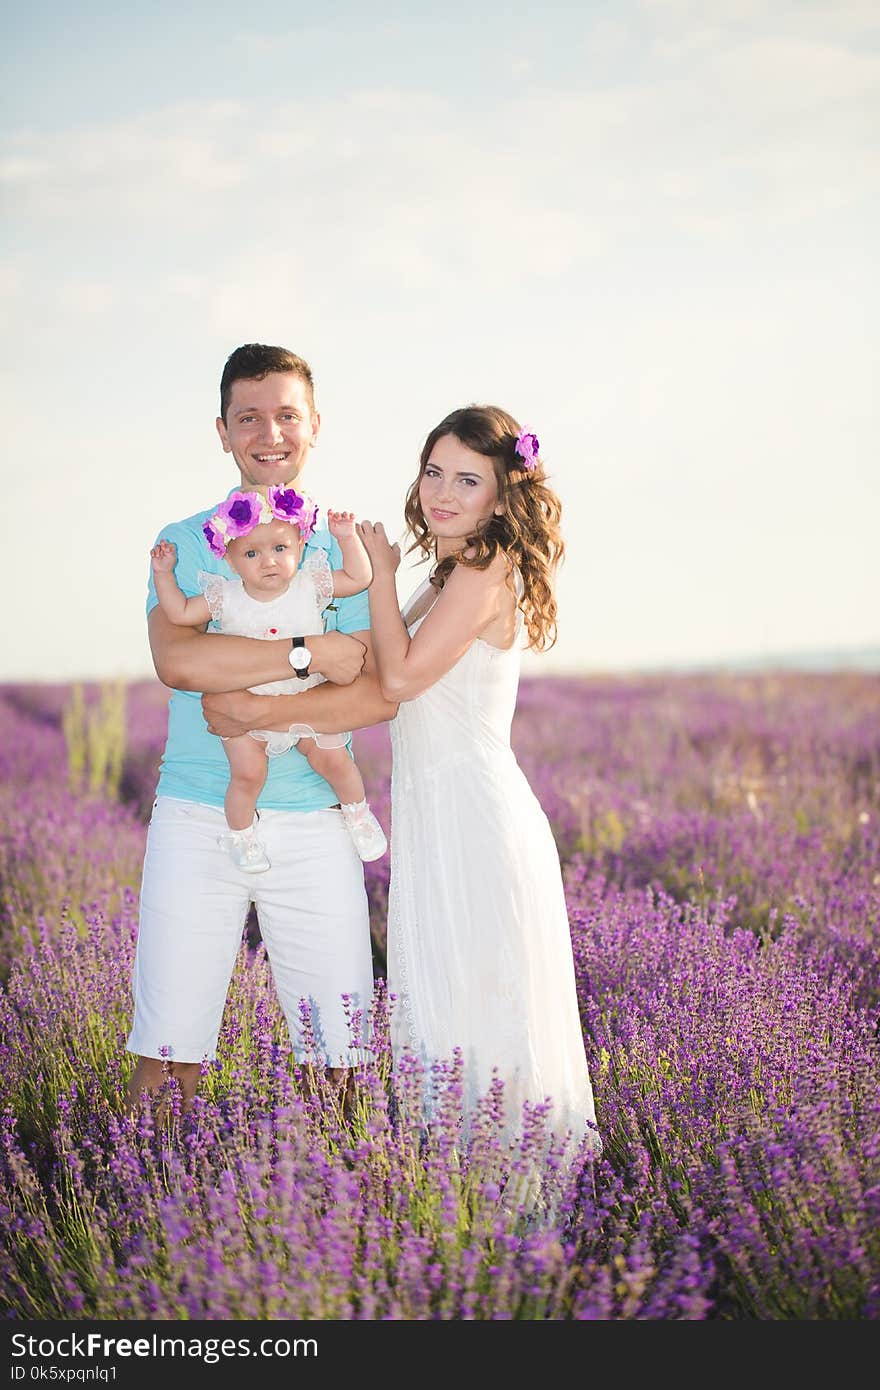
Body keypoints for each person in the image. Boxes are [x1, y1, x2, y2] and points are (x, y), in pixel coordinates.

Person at [126, 343, 397, 1114]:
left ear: (314, 426)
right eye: (249, 417)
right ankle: (149, 1216)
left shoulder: (339, 545)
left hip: (315, 824)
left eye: (286, 415)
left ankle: (338, 1218)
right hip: (196, 815)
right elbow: (180, 661)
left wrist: (261, 702)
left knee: (338, 1059)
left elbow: (374, 693)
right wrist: (313, 651)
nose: (269, 433)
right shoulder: (184, 537)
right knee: (167, 1055)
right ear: (222, 431)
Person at [357, 406, 600, 1155]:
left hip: (476, 819)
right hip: (441, 814)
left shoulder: (485, 566)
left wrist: (378, 577)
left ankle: (515, 1216)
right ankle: (466, 1204)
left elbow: (396, 675)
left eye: (468, 479)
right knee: (453, 1006)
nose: (444, 492)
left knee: (487, 1013)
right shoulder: (451, 568)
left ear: (502, 495)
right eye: (435, 472)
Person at [150, 486, 387, 871]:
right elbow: (177, 612)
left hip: (303, 698)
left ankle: (357, 814)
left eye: (280, 549)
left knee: (335, 761)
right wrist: (163, 575)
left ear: (299, 543)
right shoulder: (224, 596)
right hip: (241, 705)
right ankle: (241, 836)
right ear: (229, 559)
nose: (268, 562)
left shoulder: (311, 584)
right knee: (247, 775)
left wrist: (346, 538)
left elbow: (359, 577)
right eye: (251, 554)